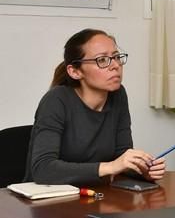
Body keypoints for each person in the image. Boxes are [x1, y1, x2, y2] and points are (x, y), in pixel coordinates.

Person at [25, 28, 166, 187]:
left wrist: (142, 170)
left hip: (94, 195)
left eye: (116, 57)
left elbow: (121, 155)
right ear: (75, 71)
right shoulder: (56, 100)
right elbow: (43, 170)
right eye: (102, 60)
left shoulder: (118, 95)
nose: (115, 66)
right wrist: (110, 167)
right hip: (47, 200)